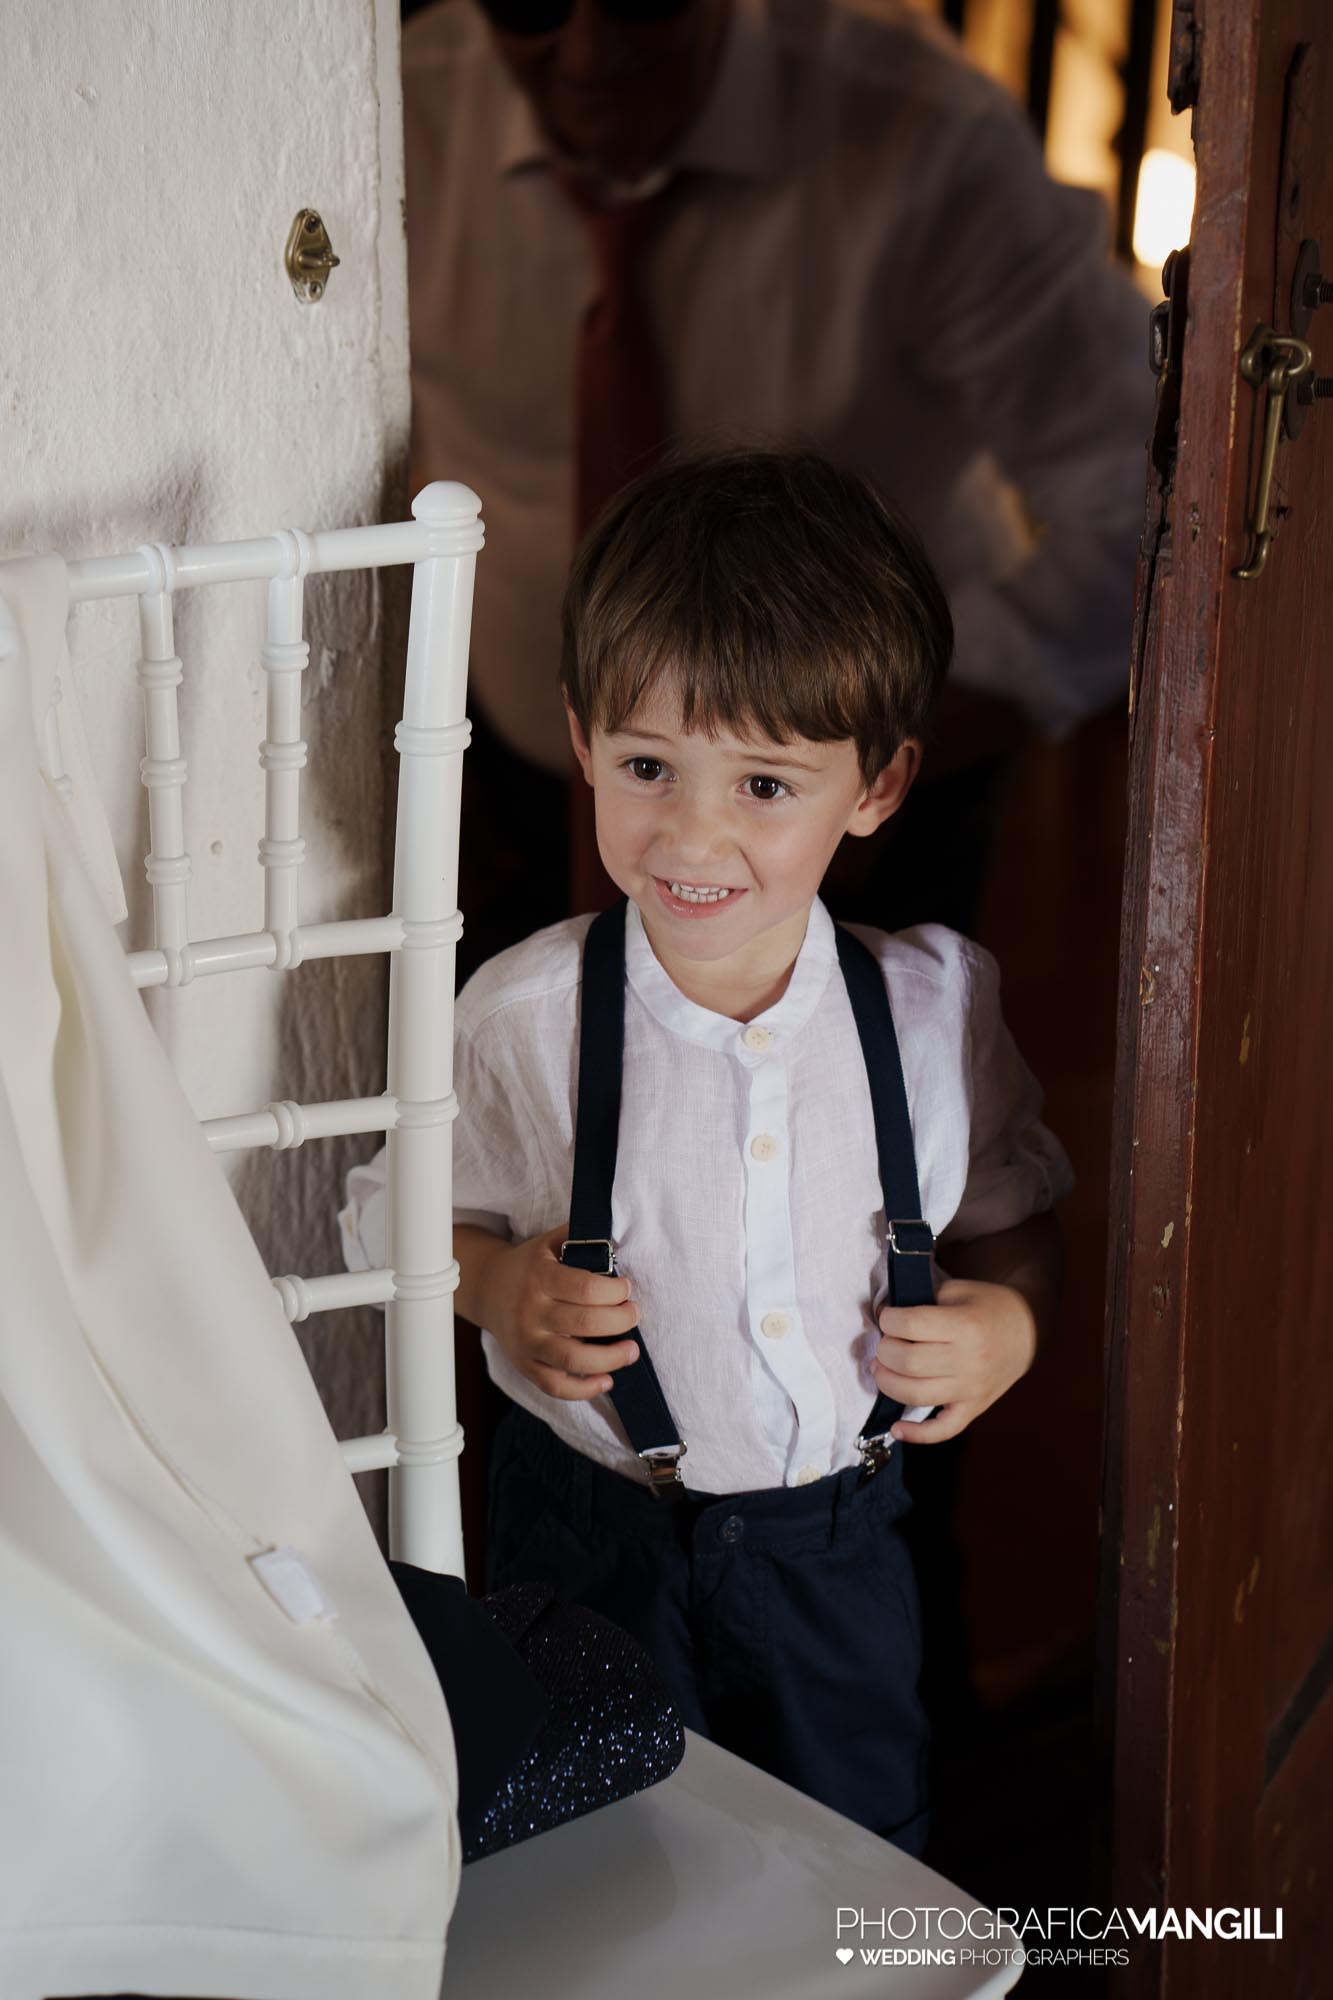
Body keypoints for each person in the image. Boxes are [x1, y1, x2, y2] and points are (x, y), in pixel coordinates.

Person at [343, 449, 1071, 1847]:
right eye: (646, 764)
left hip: (834, 1549)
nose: (689, 831)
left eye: (763, 784)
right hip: (590, 1534)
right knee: (608, 1866)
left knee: (853, 1848)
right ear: (577, 735)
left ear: (877, 786)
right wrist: (496, 1290)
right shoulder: (524, 1016)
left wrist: (1012, 1331)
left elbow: (1013, 1221)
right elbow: (390, 1219)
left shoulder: (932, 1011)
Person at [402, 0, 1152, 960]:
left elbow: (1139, 499)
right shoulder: (399, 117)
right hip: (504, 776)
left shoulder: (927, 138)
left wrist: (841, 765)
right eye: (538, 7)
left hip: (861, 792)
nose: (590, 53)